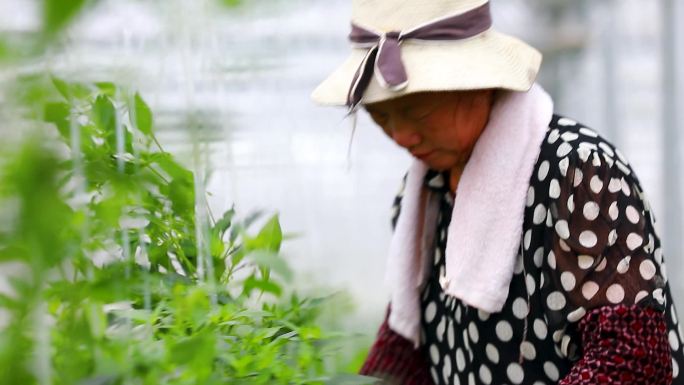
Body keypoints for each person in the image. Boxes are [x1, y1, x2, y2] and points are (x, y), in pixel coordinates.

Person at [312, 0, 684, 384]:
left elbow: (630, 359)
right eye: (381, 116)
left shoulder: (578, 173)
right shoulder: (426, 189)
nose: (402, 137)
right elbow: (409, 342)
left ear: (480, 85)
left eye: (419, 113)